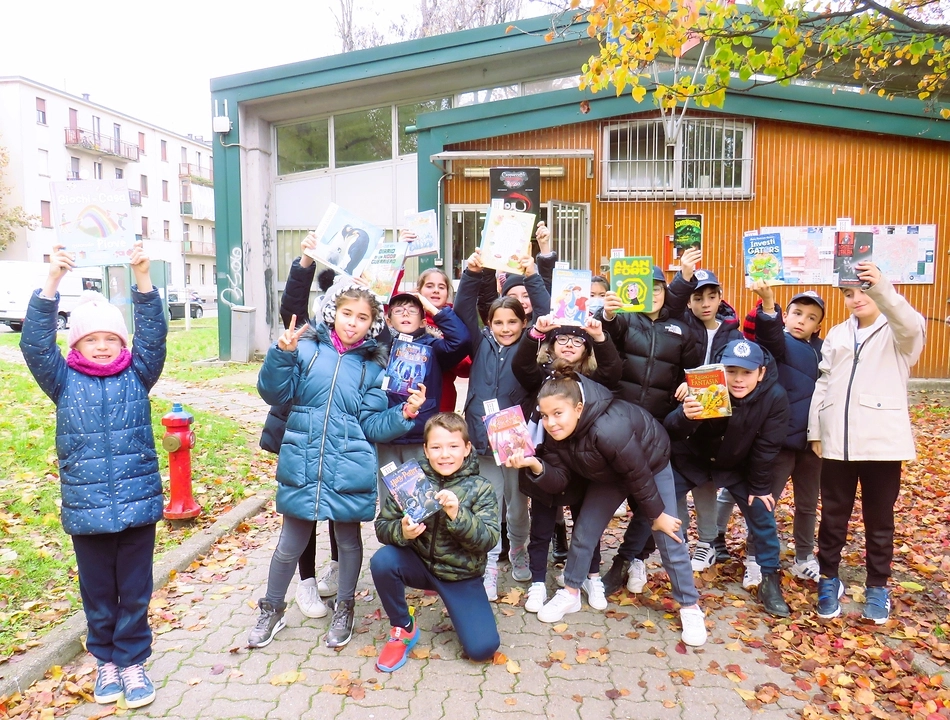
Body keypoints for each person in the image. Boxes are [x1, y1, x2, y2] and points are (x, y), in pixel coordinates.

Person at [20, 244, 166, 710]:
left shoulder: (138, 374)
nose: (102, 346)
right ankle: (105, 660)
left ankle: (132, 660)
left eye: (111, 339)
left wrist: (142, 279)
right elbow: (33, 345)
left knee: (136, 590)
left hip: (138, 505)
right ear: (76, 345)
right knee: (99, 593)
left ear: (122, 345)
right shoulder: (62, 381)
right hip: (87, 512)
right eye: (91, 339)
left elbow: (154, 338)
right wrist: (51, 283)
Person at [250, 282, 425, 649]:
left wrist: (405, 413)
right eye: (347, 314)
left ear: (372, 324)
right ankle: (272, 609)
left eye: (362, 318)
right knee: (288, 545)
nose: (353, 323)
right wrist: (281, 354)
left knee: (347, 541)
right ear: (333, 312)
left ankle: (345, 607)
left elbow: (373, 425)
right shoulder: (307, 349)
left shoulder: (374, 367)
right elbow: (274, 393)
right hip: (303, 460)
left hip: (349, 464)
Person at [507, 374, 706, 644]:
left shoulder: (608, 428)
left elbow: (637, 474)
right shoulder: (556, 435)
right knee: (585, 530)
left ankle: (689, 606)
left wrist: (657, 515)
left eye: (558, 413)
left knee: (667, 533)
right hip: (609, 474)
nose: (551, 423)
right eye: (545, 415)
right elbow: (560, 480)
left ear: (578, 408)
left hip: (650, 465)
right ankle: (571, 591)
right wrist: (535, 466)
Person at [808, 263, 926, 623]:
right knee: (832, 516)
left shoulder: (900, 331)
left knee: (879, 520)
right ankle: (829, 578)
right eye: (848, 293)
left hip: (882, 444)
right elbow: (823, 381)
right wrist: (816, 428)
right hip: (837, 443)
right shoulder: (838, 335)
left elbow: (908, 323)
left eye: (862, 290)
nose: (855, 298)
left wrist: (881, 287)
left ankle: (877, 585)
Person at [665, 339, 791, 617]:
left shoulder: (774, 397)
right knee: (657, 501)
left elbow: (767, 446)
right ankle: (628, 560)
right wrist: (686, 416)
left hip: (736, 466)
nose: (738, 379)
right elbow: (671, 428)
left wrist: (759, 487)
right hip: (693, 459)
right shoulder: (703, 385)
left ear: (761, 373)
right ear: (721, 370)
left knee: (762, 510)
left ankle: (770, 579)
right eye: (731, 370)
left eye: (746, 372)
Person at [598, 264, 702, 597]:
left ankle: (630, 558)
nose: (653, 293)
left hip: (659, 427)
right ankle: (585, 564)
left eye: (659, 288)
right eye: (648, 287)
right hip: (620, 423)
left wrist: (689, 384)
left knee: (651, 500)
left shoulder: (681, 329)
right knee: (608, 491)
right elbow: (603, 340)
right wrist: (609, 316)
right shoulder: (626, 320)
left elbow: (695, 371)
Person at [510, 315, 623, 614]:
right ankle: (537, 581)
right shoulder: (541, 376)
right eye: (563, 339)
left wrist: (600, 337)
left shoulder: (592, 381)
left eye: (578, 341)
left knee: (586, 523)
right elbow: (520, 366)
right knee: (543, 524)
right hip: (543, 462)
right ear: (551, 344)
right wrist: (535, 332)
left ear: (586, 350)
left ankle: (591, 574)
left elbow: (614, 370)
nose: (570, 345)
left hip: (583, 463)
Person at [371, 413, 501, 672]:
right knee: (382, 560)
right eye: (436, 447)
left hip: (460, 575)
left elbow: (487, 540)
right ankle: (403, 628)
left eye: (453, 446)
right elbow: (382, 526)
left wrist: (458, 514)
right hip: (419, 564)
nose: (445, 454)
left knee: (482, 648)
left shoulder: (481, 488)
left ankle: (461, 608)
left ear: (466, 449)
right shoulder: (409, 481)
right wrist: (402, 532)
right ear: (426, 450)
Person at [716, 283, 826, 585]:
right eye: (797, 313)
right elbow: (769, 334)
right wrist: (768, 303)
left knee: (807, 504)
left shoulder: (823, 352)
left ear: (818, 325)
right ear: (786, 316)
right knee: (763, 502)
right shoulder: (780, 345)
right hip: (779, 444)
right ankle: (754, 558)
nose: (803, 320)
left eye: (811, 317)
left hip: (812, 444)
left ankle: (804, 557)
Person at [455, 248, 549, 600]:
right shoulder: (479, 343)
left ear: (523, 324)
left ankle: (519, 549)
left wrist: (532, 274)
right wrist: (472, 273)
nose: (506, 328)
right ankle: (490, 563)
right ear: (489, 324)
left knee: (517, 503)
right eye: (499, 322)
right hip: (482, 438)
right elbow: (464, 311)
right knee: (489, 503)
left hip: (516, 439)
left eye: (512, 322)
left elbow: (546, 313)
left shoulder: (528, 345)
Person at [663, 249, 743, 572]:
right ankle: (679, 538)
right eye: (698, 297)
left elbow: (737, 371)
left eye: (712, 296)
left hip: (716, 422)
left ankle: (708, 542)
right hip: (683, 415)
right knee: (678, 478)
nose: (705, 303)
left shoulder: (733, 332)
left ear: (720, 297)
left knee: (705, 481)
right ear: (690, 301)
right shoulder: (681, 325)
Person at [376, 290, 469, 486]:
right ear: (389, 321)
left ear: (423, 321)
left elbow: (461, 341)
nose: (406, 313)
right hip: (387, 434)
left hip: (421, 434)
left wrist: (432, 308)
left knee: (423, 497)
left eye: (412, 310)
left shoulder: (434, 348)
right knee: (390, 496)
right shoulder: (381, 347)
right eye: (399, 310)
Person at [416, 267, 471, 413]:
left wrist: (449, 355)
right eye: (429, 286)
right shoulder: (410, 317)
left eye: (442, 287)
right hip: (409, 396)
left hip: (443, 397)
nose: (436, 290)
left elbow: (465, 368)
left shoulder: (454, 322)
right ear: (418, 291)